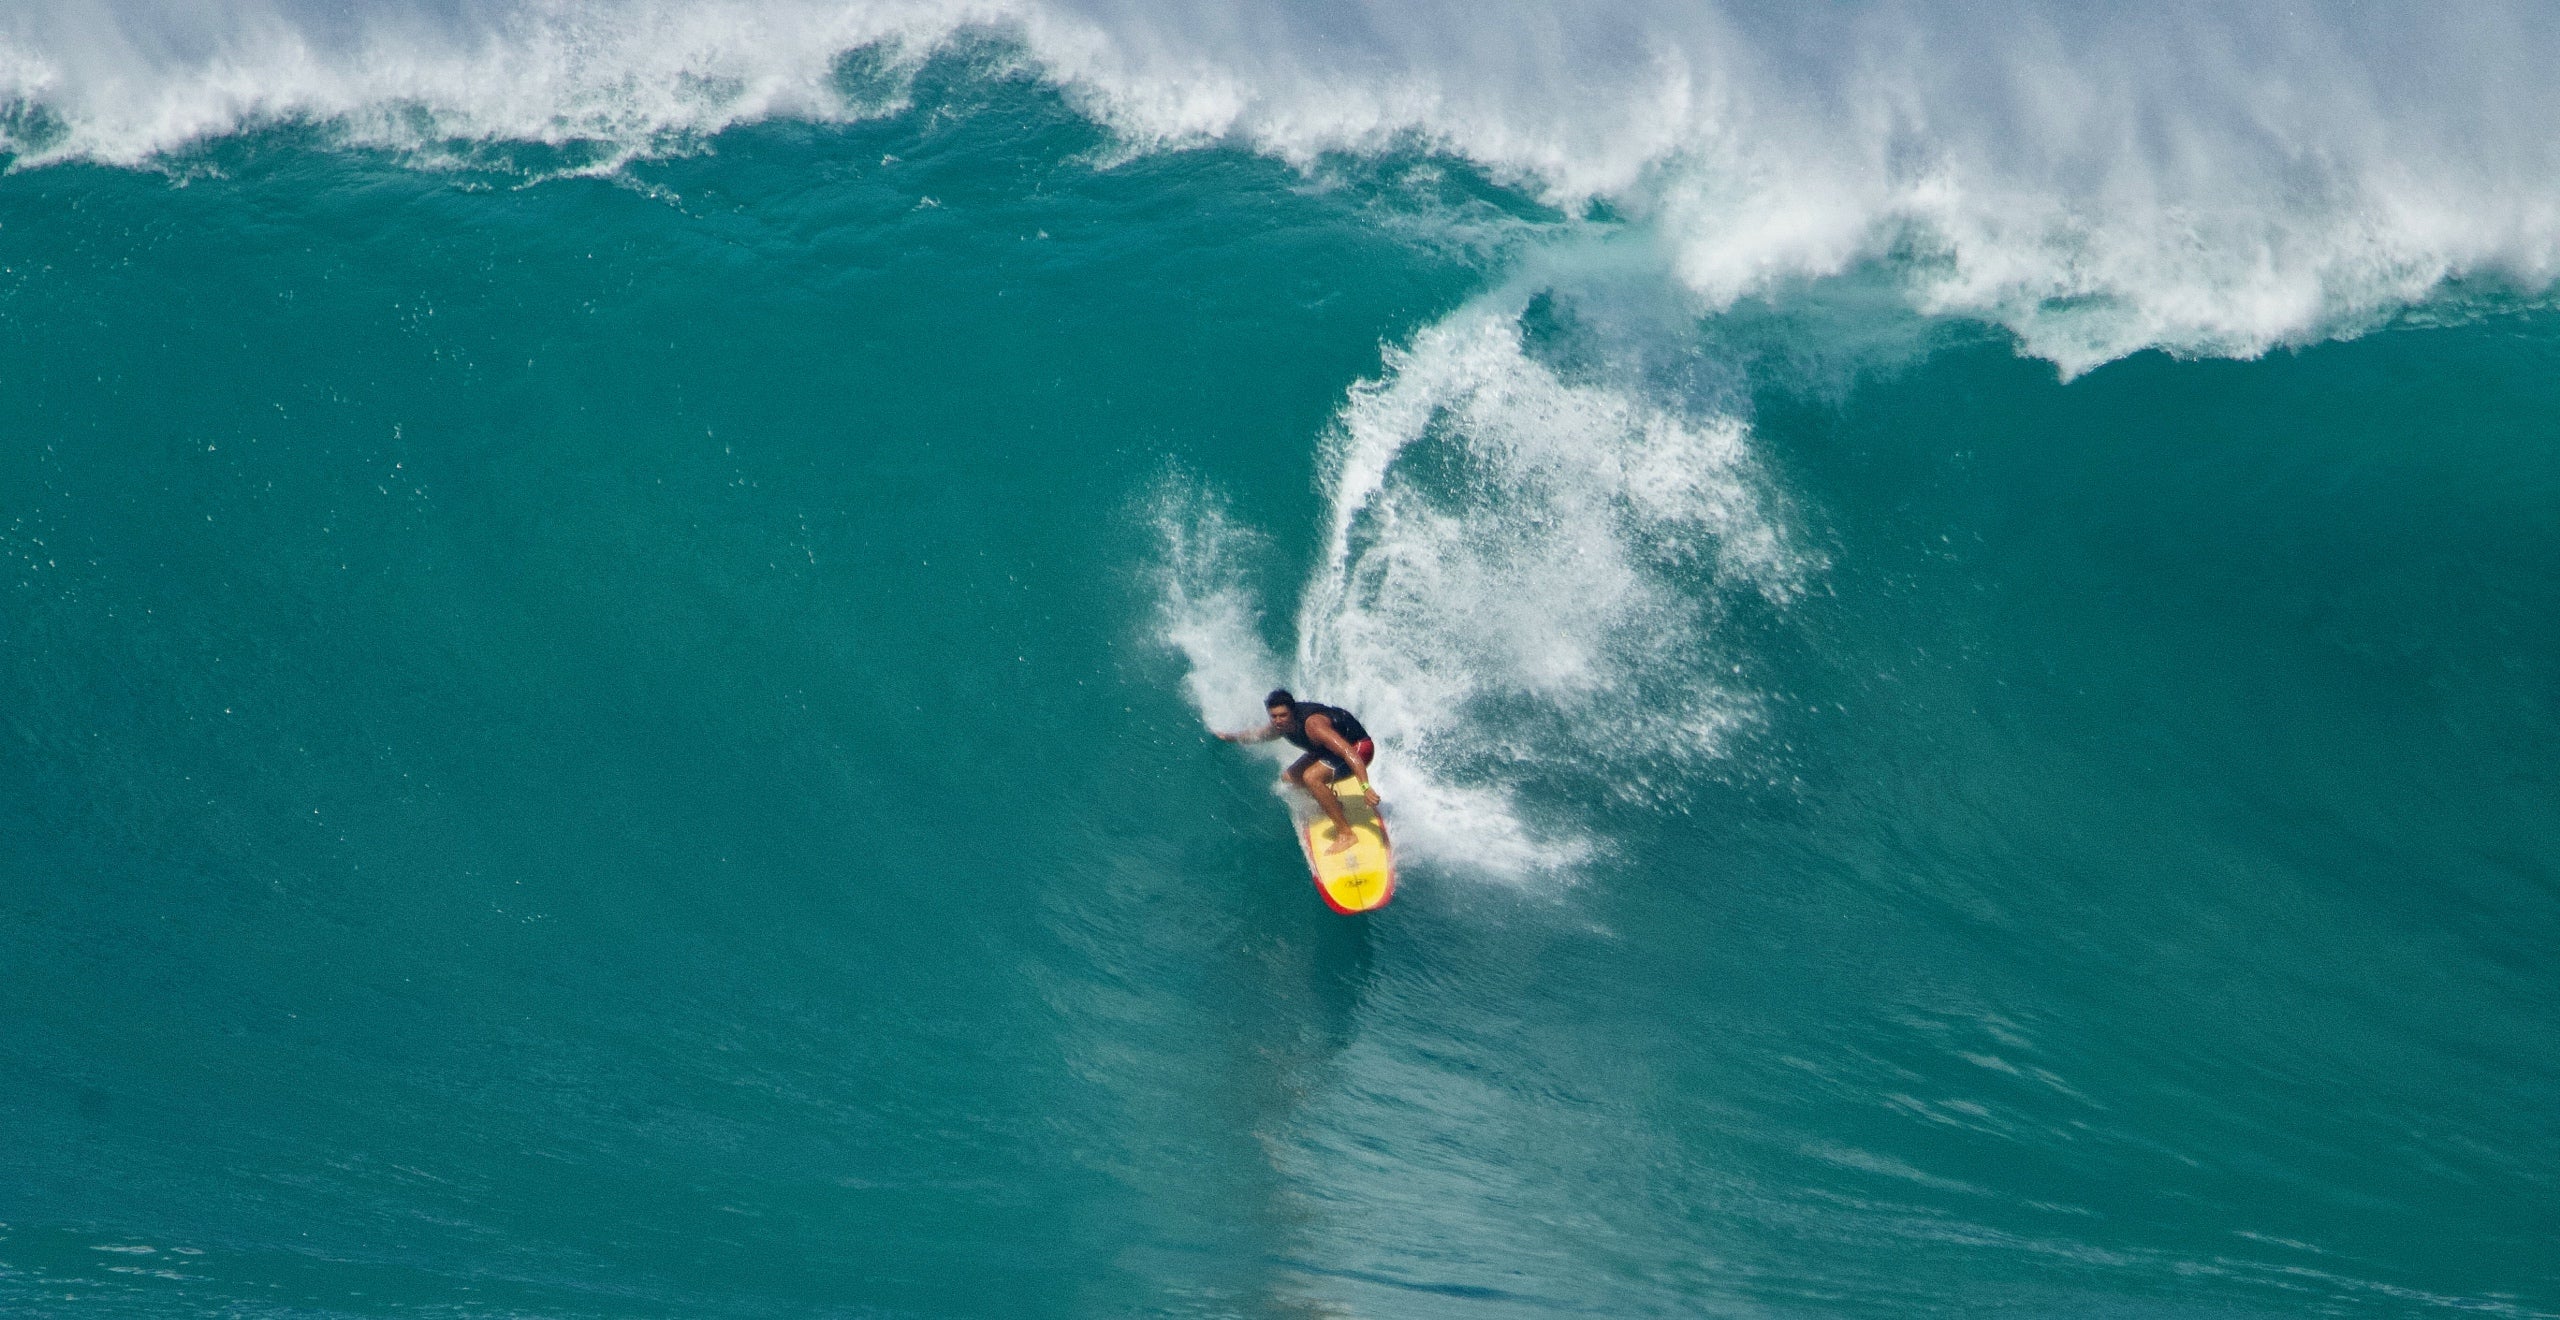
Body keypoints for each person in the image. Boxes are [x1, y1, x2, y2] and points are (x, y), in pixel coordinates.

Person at [1218, 689, 1379, 853]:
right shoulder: (1279, 726)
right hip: (1327, 749)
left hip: (1358, 748)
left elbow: (1347, 752)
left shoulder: (1314, 725)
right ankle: (1333, 803)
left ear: (1292, 712)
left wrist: (1365, 787)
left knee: (1311, 778)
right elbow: (1260, 735)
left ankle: (1347, 834)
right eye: (1274, 716)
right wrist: (1230, 737)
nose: (1278, 720)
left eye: (1283, 715)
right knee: (1289, 778)